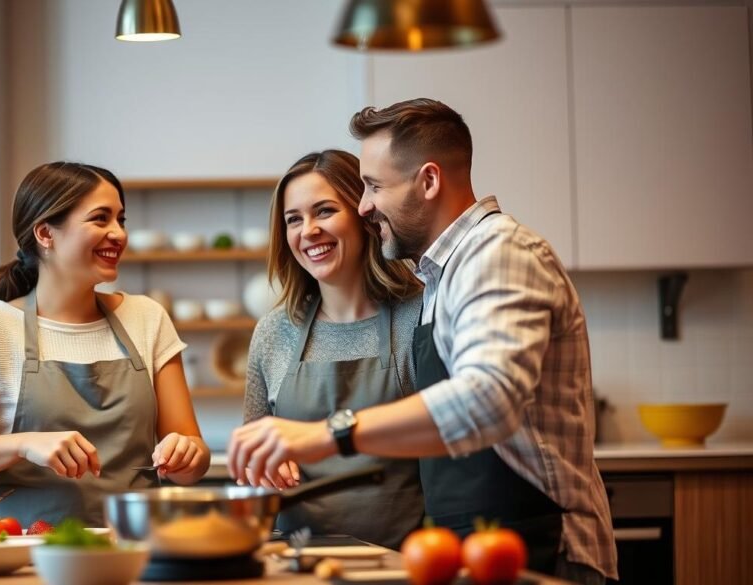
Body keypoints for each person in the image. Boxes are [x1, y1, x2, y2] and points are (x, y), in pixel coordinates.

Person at [228, 100, 616, 583]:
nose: (365, 206)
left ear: (428, 181)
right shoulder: (441, 278)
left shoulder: (499, 253)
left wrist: (328, 433)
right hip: (477, 551)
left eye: (372, 187)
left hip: (542, 546)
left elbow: (488, 399)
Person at [0, 161, 210, 527]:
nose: (118, 233)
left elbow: (191, 466)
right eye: (100, 219)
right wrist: (23, 444)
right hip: (20, 560)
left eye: (121, 219)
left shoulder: (147, 318)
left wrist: (187, 454)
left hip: (134, 554)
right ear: (45, 233)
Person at [242, 150, 424, 550]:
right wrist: (265, 465)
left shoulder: (419, 317)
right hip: (298, 565)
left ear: (364, 215)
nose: (308, 231)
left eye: (324, 211)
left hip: (402, 565)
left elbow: (445, 437)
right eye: (294, 220)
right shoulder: (274, 332)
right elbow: (253, 455)